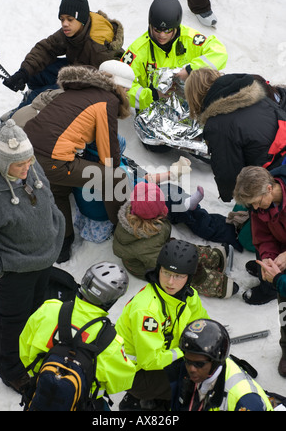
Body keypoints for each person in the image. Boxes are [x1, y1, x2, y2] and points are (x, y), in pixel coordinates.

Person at [24, 61, 134, 263]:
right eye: (127, 89)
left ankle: (64, 244)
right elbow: (109, 153)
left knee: (58, 192)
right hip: (54, 160)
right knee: (115, 178)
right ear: (121, 86)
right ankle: (124, 230)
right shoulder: (107, 99)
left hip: (29, 154)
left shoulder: (76, 91)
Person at [0, 119, 65, 393]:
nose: (27, 169)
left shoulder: (29, 165)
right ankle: (11, 371)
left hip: (42, 260)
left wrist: (55, 228)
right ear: (3, 163)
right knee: (10, 322)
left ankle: (31, 351)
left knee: (36, 311)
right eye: (19, 166)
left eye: (29, 162)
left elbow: (49, 197)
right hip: (11, 273)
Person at [0, 0, 125, 143]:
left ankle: (13, 125)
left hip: (91, 88)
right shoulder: (75, 28)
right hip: (77, 70)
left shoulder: (98, 47)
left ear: (81, 19)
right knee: (36, 73)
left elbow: (99, 84)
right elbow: (47, 48)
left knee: (44, 95)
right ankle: (26, 105)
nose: (64, 23)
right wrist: (24, 73)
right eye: (62, 19)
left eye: (69, 20)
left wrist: (47, 95)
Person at [19, 262, 136, 410]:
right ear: (111, 301)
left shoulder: (49, 309)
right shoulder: (110, 340)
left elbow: (24, 349)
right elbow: (122, 381)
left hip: (42, 391)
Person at [115, 239, 210, 411]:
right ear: (158, 269)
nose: (171, 282)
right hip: (134, 372)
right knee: (193, 380)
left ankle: (159, 398)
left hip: (161, 359)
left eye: (179, 276)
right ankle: (142, 399)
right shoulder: (147, 310)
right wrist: (185, 352)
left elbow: (202, 325)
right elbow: (150, 361)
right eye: (166, 273)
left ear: (189, 277)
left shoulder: (189, 296)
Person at [113, 181, 238, 299]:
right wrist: (197, 272)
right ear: (153, 216)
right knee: (180, 274)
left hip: (156, 248)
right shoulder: (146, 247)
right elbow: (168, 268)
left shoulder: (137, 213)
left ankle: (213, 258)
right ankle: (216, 285)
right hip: (151, 267)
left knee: (181, 249)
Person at [185, 68, 286, 202]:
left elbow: (228, 172)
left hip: (276, 173)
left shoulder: (217, 125)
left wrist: (230, 195)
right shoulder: (255, 94)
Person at [121, 0, 227, 111]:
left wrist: (190, 69)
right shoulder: (137, 50)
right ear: (150, 25)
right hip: (153, 108)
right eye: (157, 30)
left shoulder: (189, 39)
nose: (162, 35)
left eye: (168, 30)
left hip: (190, 102)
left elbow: (219, 53)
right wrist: (152, 95)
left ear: (176, 28)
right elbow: (120, 85)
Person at [233, 165, 286, 376]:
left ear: (269, 188)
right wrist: (268, 260)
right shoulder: (259, 207)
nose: (255, 207)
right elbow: (263, 237)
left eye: (256, 201)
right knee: (284, 309)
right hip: (280, 256)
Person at [175, 319, 273, 411]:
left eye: (199, 364)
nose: (191, 369)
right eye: (188, 361)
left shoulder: (246, 401)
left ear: (216, 362)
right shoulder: (202, 369)